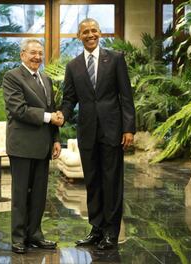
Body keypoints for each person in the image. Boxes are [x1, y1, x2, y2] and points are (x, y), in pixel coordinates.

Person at [58, 18, 136, 250]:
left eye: (94, 31)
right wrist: (61, 115)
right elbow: (69, 98)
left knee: (111, 181)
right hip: (88, 132)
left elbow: (126, 96)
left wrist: (129, 128)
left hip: (112, 130)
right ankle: (96, 229)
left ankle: (112, 232)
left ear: (100, 33)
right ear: (78, 36)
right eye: (85, 32)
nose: (90, 35)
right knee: (92, 182)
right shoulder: (73, 66)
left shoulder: (115, 59)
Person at [2, 38, 62, 254]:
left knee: (38, 194)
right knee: (20, 194)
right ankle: (18, 238)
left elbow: (52, 110)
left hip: (43, 146)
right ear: (22, 55)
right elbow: (19, 109)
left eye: (40, 53)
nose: (37, 57)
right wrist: (49, 118)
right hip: (22, 146)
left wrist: (56, 139)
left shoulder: (45, 79)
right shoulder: (12, 77)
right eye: (32, 53)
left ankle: (35, 235)